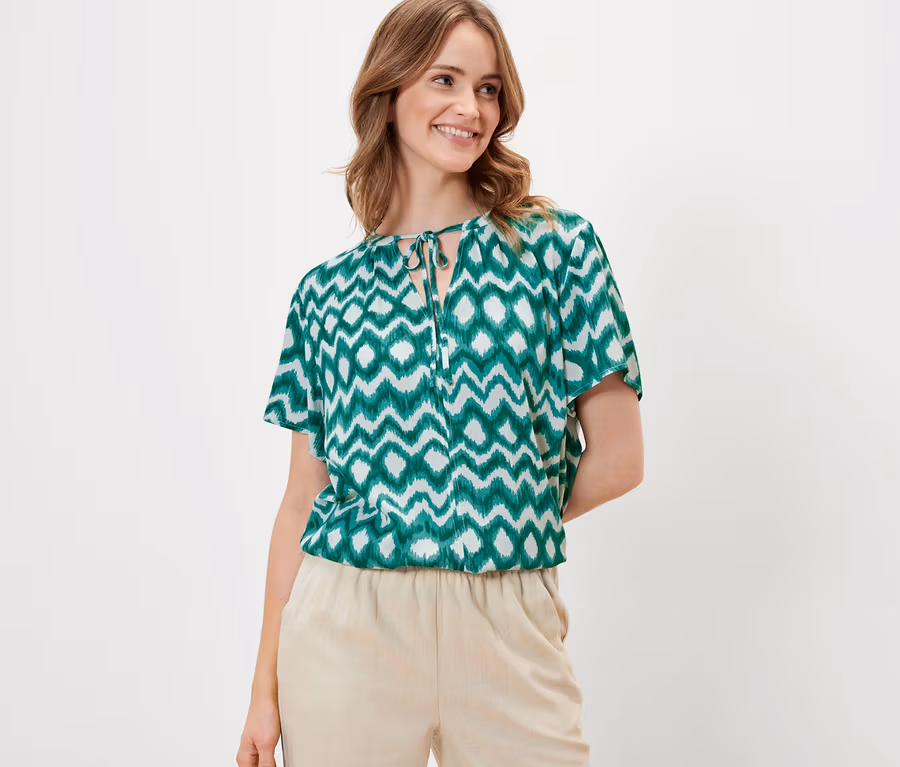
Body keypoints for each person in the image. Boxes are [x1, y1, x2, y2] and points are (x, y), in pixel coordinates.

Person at [236, 1, 644, 765]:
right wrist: (264, 689)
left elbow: (620, 459)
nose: (471, 108)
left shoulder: (557, 250)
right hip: (345, 627)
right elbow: (300, 501)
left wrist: (493, 512)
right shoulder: (325, 295)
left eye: (488, 88)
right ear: (390, 92)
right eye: (445, 79)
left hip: (509, 622)